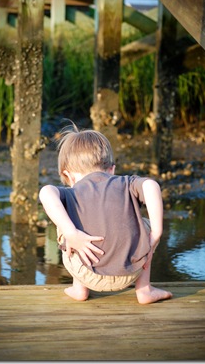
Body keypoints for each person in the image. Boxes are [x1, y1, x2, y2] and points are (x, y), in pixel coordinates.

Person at [39, 123, 172, 304]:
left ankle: (79, 289)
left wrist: (72, 233)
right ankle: (144, 289)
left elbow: (45, 192)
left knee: (63, 220)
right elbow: (151, 185)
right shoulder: (126, 183)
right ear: (112, 169)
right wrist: (156, 232)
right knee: (145, 224)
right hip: (132, 270)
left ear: (68, 176)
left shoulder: (72, 191)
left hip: (85, 272)